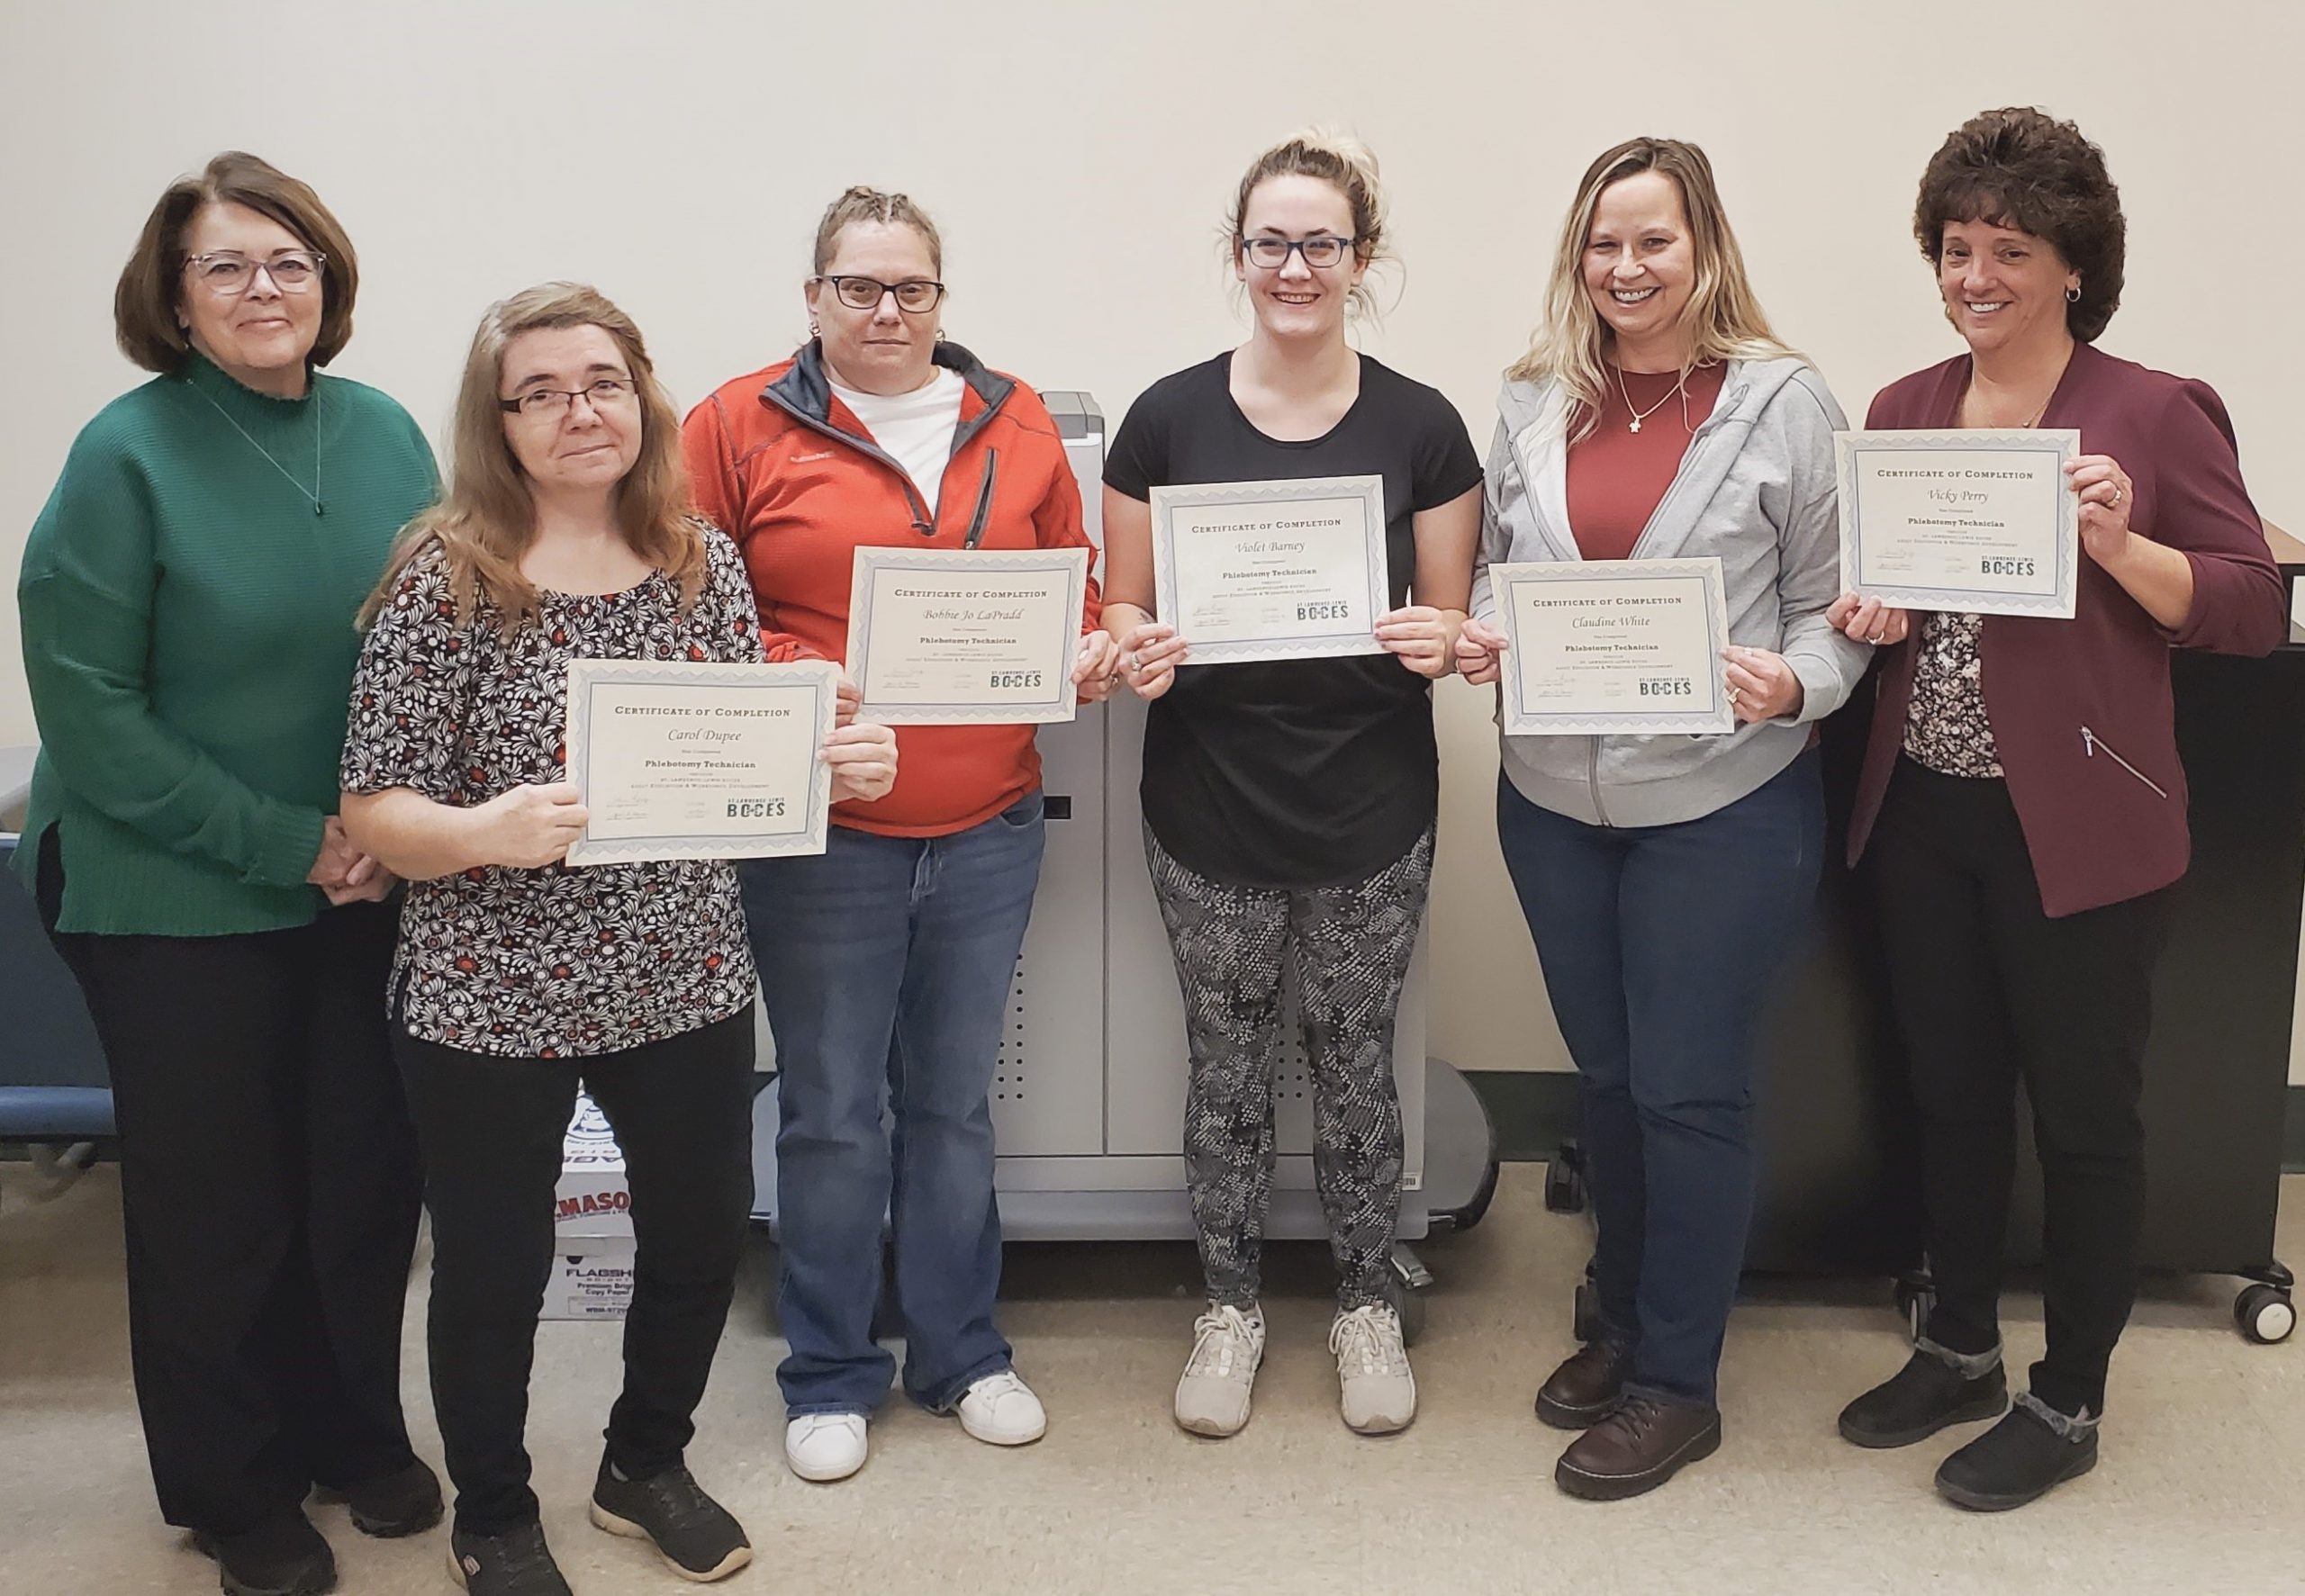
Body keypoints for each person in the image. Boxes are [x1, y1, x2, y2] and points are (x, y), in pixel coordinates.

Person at [340, 282, 897, 1593]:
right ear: (499, 421)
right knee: (494, 1267)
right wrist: (485, 830)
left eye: (599, 382)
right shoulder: (448, 579)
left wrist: (833, 760)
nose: (576, 411)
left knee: (701, 1234)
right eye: (539, 392)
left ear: (640, 394)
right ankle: (495, 1507)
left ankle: (644, 1462)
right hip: (490, 993)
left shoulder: (696, 556)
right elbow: (374, 805)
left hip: (682, 971)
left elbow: (730, 763)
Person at [1829, 107, 2286, 1511]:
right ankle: (1958, 1340)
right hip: (1926, 816)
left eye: (2009, 250)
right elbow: (1879, 607)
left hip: (2080, 829)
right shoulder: (1904, 409)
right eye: (1957, 247)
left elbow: (2251, 611)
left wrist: (2120, 541)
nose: (1976, 275)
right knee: (1951, 1099)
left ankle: (2071, 1394)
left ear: (2074, 265)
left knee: (2086, 1118)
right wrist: (1861, 612)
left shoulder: (2153, 409)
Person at [16, 150, 439, 1596]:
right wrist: (292, 841)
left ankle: (348, 1429)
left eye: (291, 262)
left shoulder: (383, 431)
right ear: (175, 299)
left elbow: (436, 642)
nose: (266, 288)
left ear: (328, 284)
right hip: (165, 880)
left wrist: (406, 827)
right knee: (220, 1200)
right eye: (228, 266)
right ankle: (231, 1482)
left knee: (360, 1173)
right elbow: (89, 715)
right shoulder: (124, 455)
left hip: (364, 875)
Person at [1456, 136, 1867, 1500]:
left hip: (1723, 805)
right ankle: (1622, 1319)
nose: (1626, 268)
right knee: (1614, 1079)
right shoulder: (1530, 401)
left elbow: (1830, 604)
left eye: (1655, 242)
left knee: (1691, 1088)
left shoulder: (1785, 402)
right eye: (1604, 243)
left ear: (1705, 250)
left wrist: (1796, 680)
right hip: (1553, 805)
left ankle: (1678, 1384)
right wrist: (1478, 641)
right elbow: (1506, 585)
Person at [682, 186, 1114, 1484]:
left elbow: (1072, 571)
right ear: (812, 296)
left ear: (941, 297)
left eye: (910, 288)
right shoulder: (735, 420)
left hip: (988, 825)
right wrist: (809, 685)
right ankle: (826, 1367)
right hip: (825, 837)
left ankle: (963, 1351)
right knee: (829, 1113)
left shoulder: (1015, 414)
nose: (885, 310)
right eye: (858, 286)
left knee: (951, 1103)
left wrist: (1084, 647)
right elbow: (688, 606)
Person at [1099, 131, 1482, 1440]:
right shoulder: (1165, 418)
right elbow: (1127, 609)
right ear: (1240, 255)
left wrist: (1446, 638)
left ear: (1360, 259)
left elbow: (1448, 622)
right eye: (1273, 241)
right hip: (1206, 799)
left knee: (1356, 1059)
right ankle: (1232, 1305)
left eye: (1323, 242)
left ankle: (1368, 1298)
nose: (1296, 265)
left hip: (1370, 799)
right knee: (1228, 1064)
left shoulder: (1423, 425)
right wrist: (1132, 648)